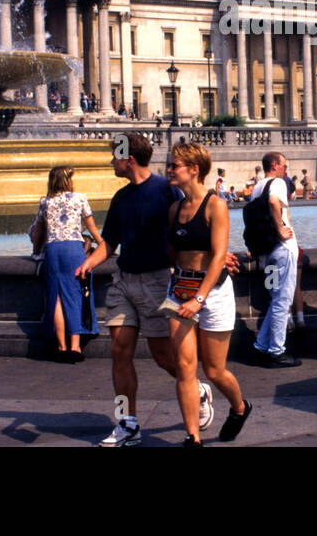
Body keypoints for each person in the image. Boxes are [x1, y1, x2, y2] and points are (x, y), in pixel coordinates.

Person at [74, 133, 215, 446]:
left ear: (129, 158)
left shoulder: (165, 190)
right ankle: (128, 423)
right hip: (124, 279)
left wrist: (214, 253)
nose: (112, 161)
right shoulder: (121, 198)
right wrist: (89, 263)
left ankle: (197, 390)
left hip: (157, 280)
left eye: (115, 156)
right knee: (119, 350)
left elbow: (190, 226)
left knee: (165, 357)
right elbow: (109, 242)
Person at [162, 142, 251, 446]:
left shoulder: (216, 205)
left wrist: (199, 298)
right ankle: (193, 437)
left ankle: (239, 408)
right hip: (180, 290)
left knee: (214, 370)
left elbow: (217, 257)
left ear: (194, 169)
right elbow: (173, 252)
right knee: (185, 368)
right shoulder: (174, 208)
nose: (170, 170)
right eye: (170, 165)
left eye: (175, 165)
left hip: (212, 293)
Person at [29, 166, 101, 361]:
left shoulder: (45, 202)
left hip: (54, 251)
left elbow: (39, 233)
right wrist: (104, 246)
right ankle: (75, 347)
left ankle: (61, 347)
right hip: (74, 250)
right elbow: (92, 228)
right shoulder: (80, 199)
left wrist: (36, 252)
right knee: (75, 295)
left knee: (57, 299)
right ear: (68, 181)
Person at [249, 152, 301, 367]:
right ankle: (276, 351)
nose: (285, 170)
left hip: (266, 254)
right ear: (274, 165)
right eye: (284, 166)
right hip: (282, 251)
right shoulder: (277, 183)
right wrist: (281, 230)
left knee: (274, 298)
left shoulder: (257, 187)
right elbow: (273, 202)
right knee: (283, 300)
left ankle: (262, 346)